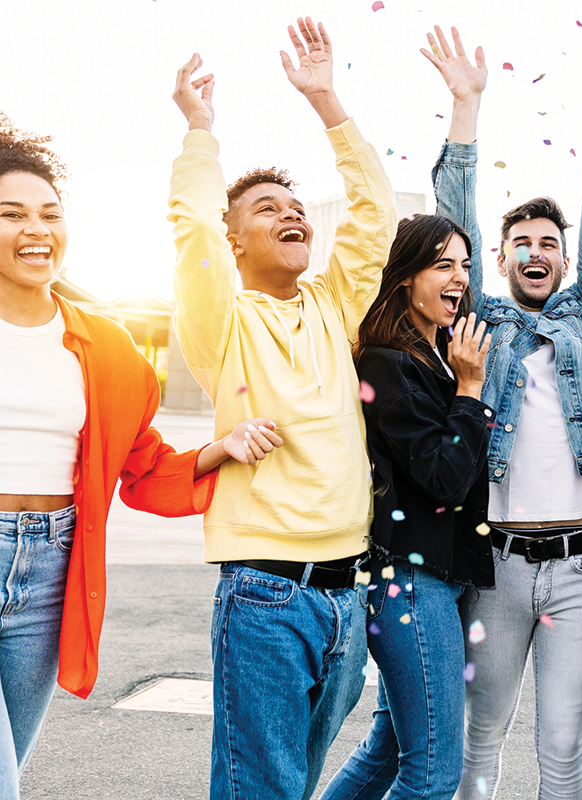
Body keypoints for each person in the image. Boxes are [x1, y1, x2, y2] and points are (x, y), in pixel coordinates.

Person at [0, 113, 280, 798]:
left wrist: (219, 449)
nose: (37, 229)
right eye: (11, 214)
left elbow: (144, 467)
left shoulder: (108, 347)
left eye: (50, 213)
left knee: (13, 763)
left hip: (49, 572)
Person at [168, 18, 398, 800]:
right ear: (233, 241)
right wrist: (200, 132)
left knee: (293, 785)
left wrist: (327, 102)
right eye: (266, 209)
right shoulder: (223, 323)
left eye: (295, 206)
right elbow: (194, 228)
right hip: (266, 596)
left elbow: (374, 217)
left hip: (347, 593)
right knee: (261, 789)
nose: (290, 213)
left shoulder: (334, 306)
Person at [423, 24, 582, 800]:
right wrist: (465, 106)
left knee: (562, 745)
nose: (535, 251)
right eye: (521, 242)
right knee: (482, 736)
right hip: (498, 570)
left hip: (581, 570)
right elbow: (455, 216)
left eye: (548, 242)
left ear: (564, 262)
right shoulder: (480, 319)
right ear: (500, 257)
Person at [320, 214, 495, 800]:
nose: (460, 277)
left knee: (387, 753)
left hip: (431, 579)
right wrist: (470, 390)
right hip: (410, 583)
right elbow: (443, 479)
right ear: (403, 277)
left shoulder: (434, 356)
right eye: (443, 265)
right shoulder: (386, 362)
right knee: (431, 778)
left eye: (464, 265)